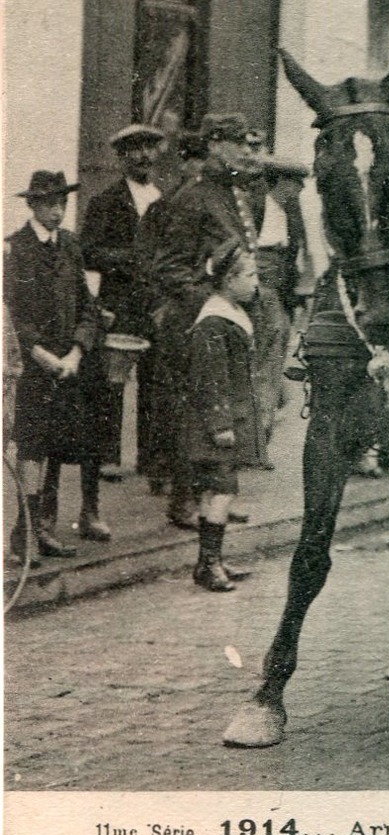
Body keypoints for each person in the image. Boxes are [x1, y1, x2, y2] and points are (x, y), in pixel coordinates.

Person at [148, 113, 262, 528]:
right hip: (196, 323)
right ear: (214, 145)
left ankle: (217, 498)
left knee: (226, 411)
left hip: (227, 321)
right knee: (191, 414)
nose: (248, 151)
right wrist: (215, 300)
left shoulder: (237, 194)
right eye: (238, 143)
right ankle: (183, 500)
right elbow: (169, 268)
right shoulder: (192, 198)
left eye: (250, 144)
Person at [4, 171, 101, 557]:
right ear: (32, 205)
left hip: (67, 366)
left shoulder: (71, 246)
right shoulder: (16, 249)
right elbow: (11, 314)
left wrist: (77, 350)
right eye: (48, 203)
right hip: (35, 367)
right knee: (31, 448)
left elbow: (87, 307)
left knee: (58, 446)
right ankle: (21, 534)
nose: (57, 211)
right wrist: (40, 354)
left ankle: (44, 528)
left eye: (61, 203)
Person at [80, 123, 169, 484]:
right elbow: (88, 252)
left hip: (156, 302)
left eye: (150, 148)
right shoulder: (106, 201)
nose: (144, 156)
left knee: (156, 377)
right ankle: (107, 456)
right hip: (120, 301)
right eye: (135, 149)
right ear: (121, 157)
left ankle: (151, 458)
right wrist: (130, 259)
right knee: (113, 379)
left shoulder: (164, 200)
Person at [183, 237, 263, 591]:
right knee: (222, 491)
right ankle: (209, 563)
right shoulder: (213, 323)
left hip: (226, 420)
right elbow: (210, 379)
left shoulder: (232, 314)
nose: (255, 282)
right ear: (229, 280)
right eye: (250, 275)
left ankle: (209, 560)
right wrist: (220, 425)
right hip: (215, 424)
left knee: (212, 490)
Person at [247, 156, 309, 463]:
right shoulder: (257, 207)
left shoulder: (290, 213)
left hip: (280, 292)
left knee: (271, 364)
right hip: (261, 292)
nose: (300, 188)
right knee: (266, 365)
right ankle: (256, 442)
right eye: (295, 182)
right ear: (281, 182)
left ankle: (260, 438)